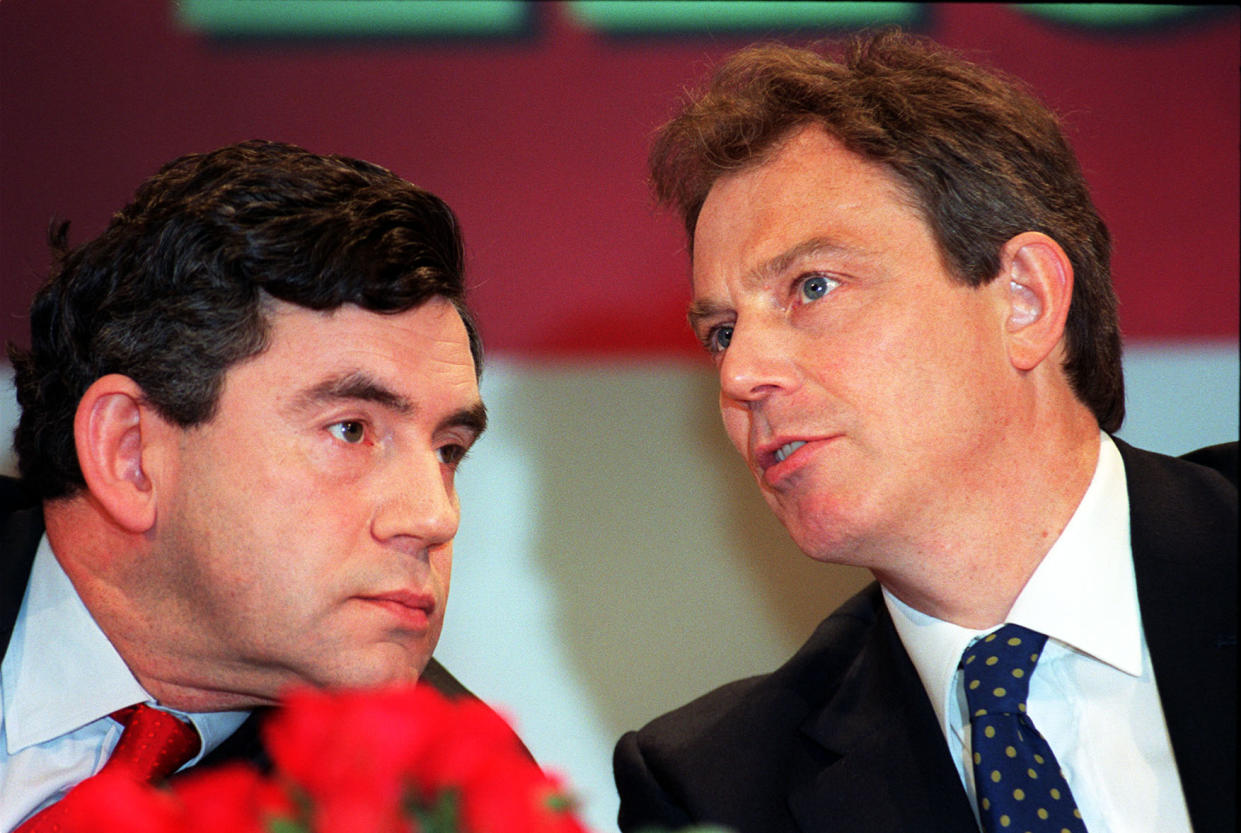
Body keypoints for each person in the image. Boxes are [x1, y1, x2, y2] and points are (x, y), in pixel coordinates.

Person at [613, 30, 1236, 833]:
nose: (739, 376)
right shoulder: (719, 789)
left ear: (1024, 300)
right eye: (723, 333)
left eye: (812, 286)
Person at [0, 140, 493, 828]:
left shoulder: (448, 802)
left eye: (447, 450)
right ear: (131, 453)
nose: (435, 516)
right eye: (351, 429)